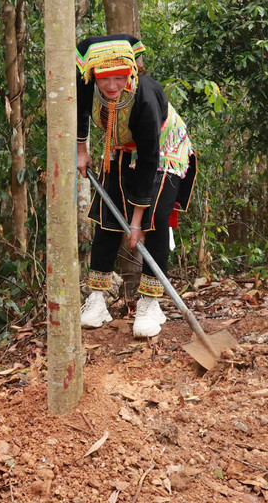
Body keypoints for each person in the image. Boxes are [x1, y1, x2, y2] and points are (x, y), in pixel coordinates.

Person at [75, 34, 196, 338]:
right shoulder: (88, 82)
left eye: (119, 78)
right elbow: (79, 111)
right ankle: (97, 300)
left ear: (131, 73)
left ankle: (151, 302)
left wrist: (137, 221)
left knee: (154, 219)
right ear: (94, 75)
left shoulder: (144, 98)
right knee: (107, 214)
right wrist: (81, 149)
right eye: (105, 79)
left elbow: (148, 160)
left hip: (163, 149)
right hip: (120, 146)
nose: (112, 85)